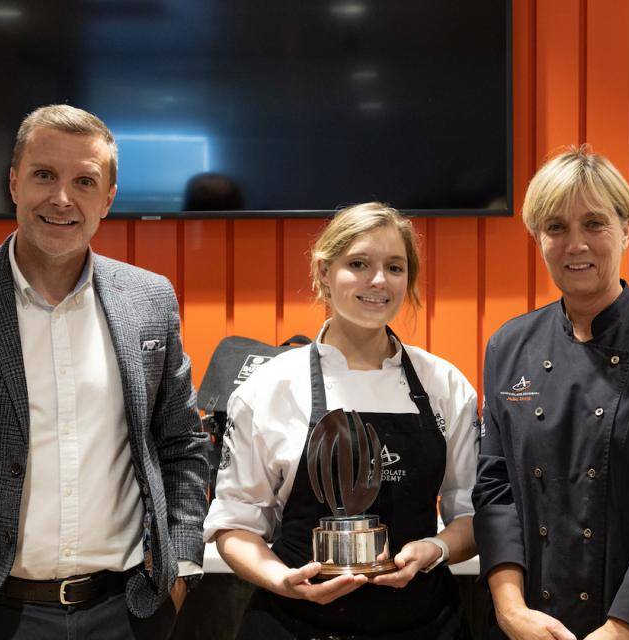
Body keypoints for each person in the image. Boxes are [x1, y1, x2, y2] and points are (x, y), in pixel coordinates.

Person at [0, 105, 209, 639]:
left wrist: (180, 566)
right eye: (44, 174)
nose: (62, 198)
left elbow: (182, 444)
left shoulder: (149, 298)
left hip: (129, 611)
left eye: (84, 181)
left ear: (108, 198)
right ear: (14, 183)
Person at [472, 147, 629, 640]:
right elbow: (494, 487)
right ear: (538, 239)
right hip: (533, 623)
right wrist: (510, 609)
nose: (575, 245)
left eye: (594, 224)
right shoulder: (509, 345)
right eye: (556, 228)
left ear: (626, 229)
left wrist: (622, 629)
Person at [204, 202, 480, 639]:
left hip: (422, 624)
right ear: (323, 273)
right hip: (295, 622)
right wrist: (280, 580)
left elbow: (471, 515)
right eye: (358, 264)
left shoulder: (445, 386)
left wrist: (436, 548)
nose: (378, 281)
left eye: (395, 267)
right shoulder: (268, 389)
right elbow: (236, 522)